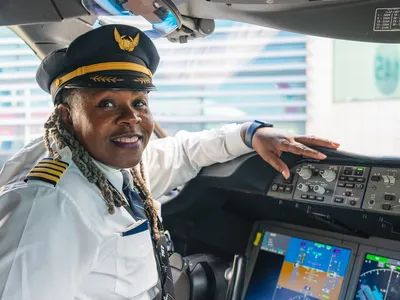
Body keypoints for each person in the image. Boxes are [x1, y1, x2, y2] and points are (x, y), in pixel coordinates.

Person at [0, 24, 339, 300]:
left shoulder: (108, 163)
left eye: (139, 102)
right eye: (106, 103)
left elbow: (183, 152)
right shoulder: (52, 205)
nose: (130, 118)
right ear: (67, 115)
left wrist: (251, 134)